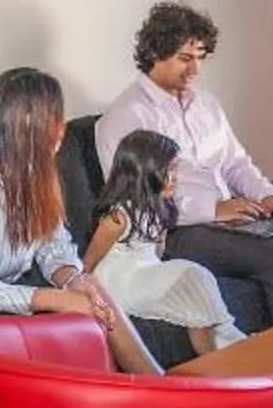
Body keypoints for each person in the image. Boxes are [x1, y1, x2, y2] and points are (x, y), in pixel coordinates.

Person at [93, 1, 273, 326]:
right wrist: (214, 209)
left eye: (200, 57)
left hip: (235, 217)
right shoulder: (124, 117)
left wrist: (268, 197)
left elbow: (236, 162)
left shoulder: (206, 104)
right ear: (154, 54)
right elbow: (136, 200)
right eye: (185, 58)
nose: (195, 70)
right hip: (180, 229)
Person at [0, 67, 160, 374]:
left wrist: (72, 280)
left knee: (89, 288)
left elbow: (53, 247)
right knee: (81, 315)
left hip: (9, 282)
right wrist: (56, 299)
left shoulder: (36, 176)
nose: (62, 127)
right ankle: (150, 388)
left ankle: (153, 383)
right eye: (56, 119)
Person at [84, 130, 246, 357]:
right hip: (120, 283)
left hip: (148, 272)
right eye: (168, 170)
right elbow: (88, 262)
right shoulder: (118, 216)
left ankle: (228, 352)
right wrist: (87, 295)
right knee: (193, 274)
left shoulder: (160, 207)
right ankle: (222, 356)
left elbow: (157, 254)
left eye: (175, 168)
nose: (176, 176)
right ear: (144, 171)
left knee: (196, 297)